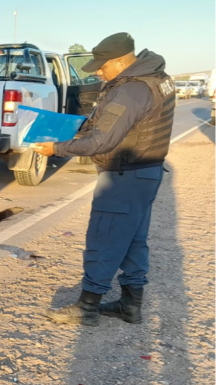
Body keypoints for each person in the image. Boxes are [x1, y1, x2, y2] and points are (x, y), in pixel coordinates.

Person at [33, 33, 175, 326]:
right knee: (133, 240)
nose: (98, 72)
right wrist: (77, 125)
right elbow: (119, 124)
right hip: (146, 173)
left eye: (102, 66)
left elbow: (101, 141)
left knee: (104, 238)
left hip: (124, 177)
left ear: (122, 61)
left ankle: (87, 307)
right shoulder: (155, 78)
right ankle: (130, 304)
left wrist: (56, 148)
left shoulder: (130, 90)